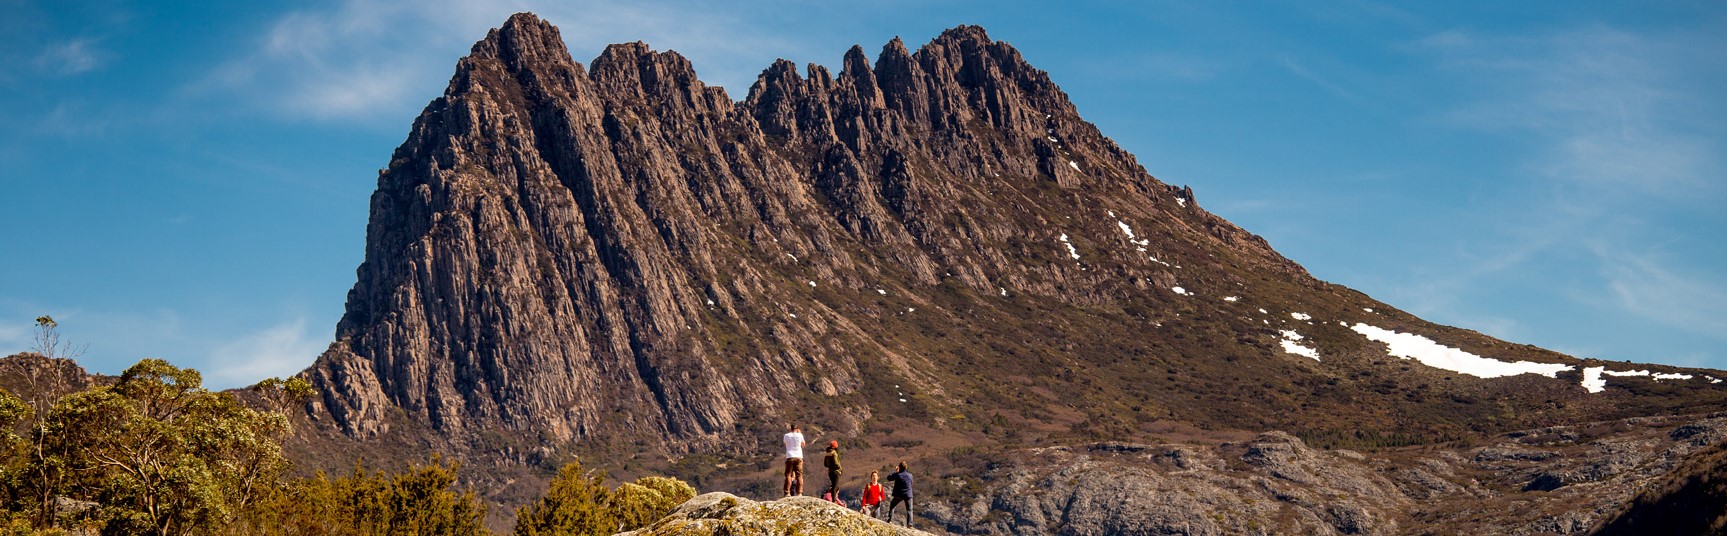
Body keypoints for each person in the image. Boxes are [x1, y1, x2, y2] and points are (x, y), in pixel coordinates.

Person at [885, 461, 914, 527]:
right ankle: (910, 524)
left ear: (899, 467)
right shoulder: (910, 475)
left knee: (892, 506)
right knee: (909, 509)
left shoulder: (898, 474)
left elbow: (889, 478)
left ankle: (889, 519)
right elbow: (911, 482)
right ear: (906, 467)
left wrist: (896, 471)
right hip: (908, 494)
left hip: (899, 494)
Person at [782, 424, 806, 497]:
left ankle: (787, 492)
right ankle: (799, 492)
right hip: (799, 456)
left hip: (790, 456)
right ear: (797, 428)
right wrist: (800, 433)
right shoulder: (800, 435)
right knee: (799, 475)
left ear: (791, 428)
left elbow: (786, 444)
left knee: (788, 474)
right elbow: (803, 445)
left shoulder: (786, 435)